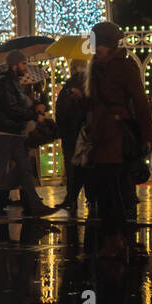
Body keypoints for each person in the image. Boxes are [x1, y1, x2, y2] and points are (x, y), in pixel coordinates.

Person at [84, 22, 152, 255]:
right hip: (101, 134)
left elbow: (140, 100)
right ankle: (117, 237)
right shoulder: (95, 67)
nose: (93, 47)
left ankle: (116, 239)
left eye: (96, 42)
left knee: (113, 188)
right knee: (108, 188)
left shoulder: (124, 66)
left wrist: (147, 134)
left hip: (116, 135)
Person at [0, 49, 51, 218]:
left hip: (15, 132)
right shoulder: (5, 83)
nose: (25, 67)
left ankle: (36, 204)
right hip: (6, 133)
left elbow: (20, 104)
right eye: (23, 63)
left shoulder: (13, 82)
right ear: (14, 65)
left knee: (24, 169)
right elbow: (12, 108)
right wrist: (33, 114)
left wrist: (35, 106)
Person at [53, 59, 89, 212]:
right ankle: (91, 199)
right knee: (87, 166)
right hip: (86, 133)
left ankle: (71, 198)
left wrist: (60, 130)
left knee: (72, 168)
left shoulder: (68, 86)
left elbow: (60, 111)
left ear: (72, 69)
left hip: (69, 133)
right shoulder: (91, 85)